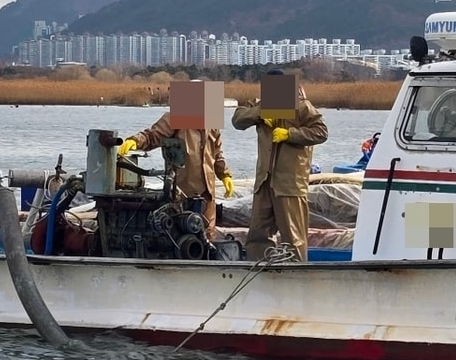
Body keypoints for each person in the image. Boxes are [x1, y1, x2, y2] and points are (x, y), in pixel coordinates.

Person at [230, 72, 328, 261]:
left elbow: (321, 132)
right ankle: (259, 271)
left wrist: (290, 134)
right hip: (264, 181)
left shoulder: (302, 106)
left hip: (289, 182)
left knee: (293, 237)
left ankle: (296, 275)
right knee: (257, 235)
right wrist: (260, 113)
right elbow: (238, 120)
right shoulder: (260, 105)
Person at [117, 113, 234, 236]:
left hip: (207, 195)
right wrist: (135, 141)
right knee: (181, 235)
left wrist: (225, 175)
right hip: (182, 193)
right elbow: (154, 135)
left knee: (208, 236)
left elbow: (217, 153)